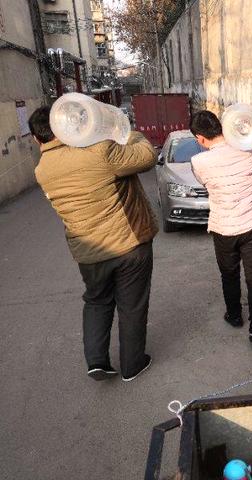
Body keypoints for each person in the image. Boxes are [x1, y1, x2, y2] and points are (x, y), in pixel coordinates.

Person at [29, 106, 157, 382]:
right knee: (131, 306)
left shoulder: (42, 170)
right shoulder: (99, 150)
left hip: (87, 252)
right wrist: (128, 132)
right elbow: (147, 156)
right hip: (128, 244)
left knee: (97, 301)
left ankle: (97, 361)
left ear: (36, 139)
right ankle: (133, 365)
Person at [190, 110, 252, 349]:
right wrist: (251, 134)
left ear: (200, 138)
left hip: (224, 229)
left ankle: (235, 315)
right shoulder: (248, 150)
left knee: (229, 274)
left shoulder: (199, 162)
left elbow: (203, 181)